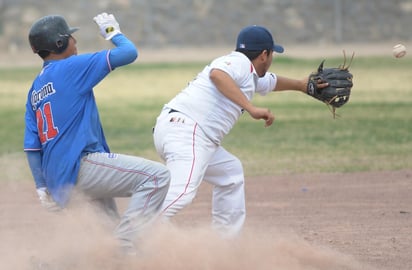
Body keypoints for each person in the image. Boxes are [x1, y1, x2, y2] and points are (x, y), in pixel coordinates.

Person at [152, 25, 328, 237]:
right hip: (188, 131)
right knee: (182, 194)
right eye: (272, 54)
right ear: (265, 54)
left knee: (230, 173)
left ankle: (223, 246)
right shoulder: (239, 62)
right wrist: (251, 108)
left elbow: (270, 81)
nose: (272, 58)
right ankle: (131, 233)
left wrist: (302, 85)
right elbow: (218, 75)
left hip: (183, 130)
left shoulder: (247, 73)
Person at [24, 13, 170, 254]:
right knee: (156, 177)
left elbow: (32, 145)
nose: (75, 41)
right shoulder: (71, 67)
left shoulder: (35, 89)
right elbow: (128, 53)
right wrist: (113, 32)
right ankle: (125, 244)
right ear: (60, 43)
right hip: (81, 167)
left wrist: (42, 187)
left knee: (107, 236)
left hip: (58, 180)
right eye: (71, 36)